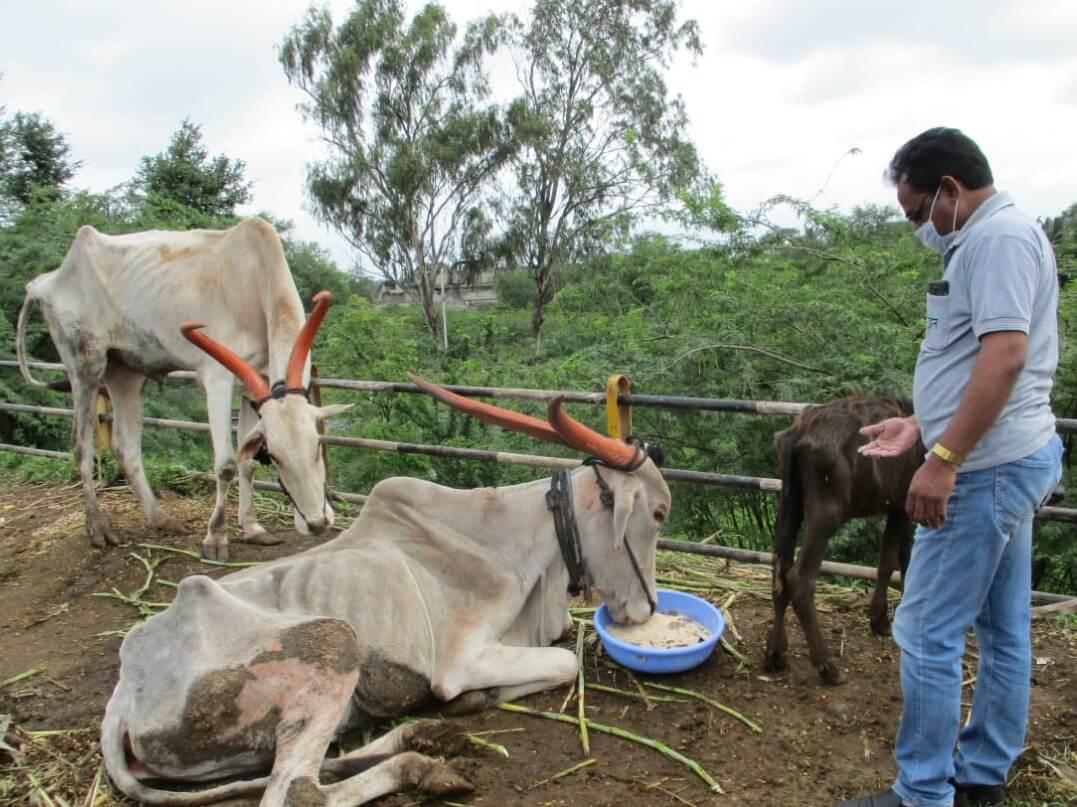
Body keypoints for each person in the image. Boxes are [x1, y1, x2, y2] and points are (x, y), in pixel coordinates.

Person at [835, 128, 1064, 807]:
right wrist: (923, 422)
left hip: (981, 470)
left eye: (916, 212)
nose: (916, 227)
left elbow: (1004, 358)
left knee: (925, 631)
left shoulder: (994, 240)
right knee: (1000, 624)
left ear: (949, 191)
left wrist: (940, 457)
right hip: (1005, 457)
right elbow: (975, 359)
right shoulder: (999, 235)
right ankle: (980, 774)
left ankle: (922, 793)